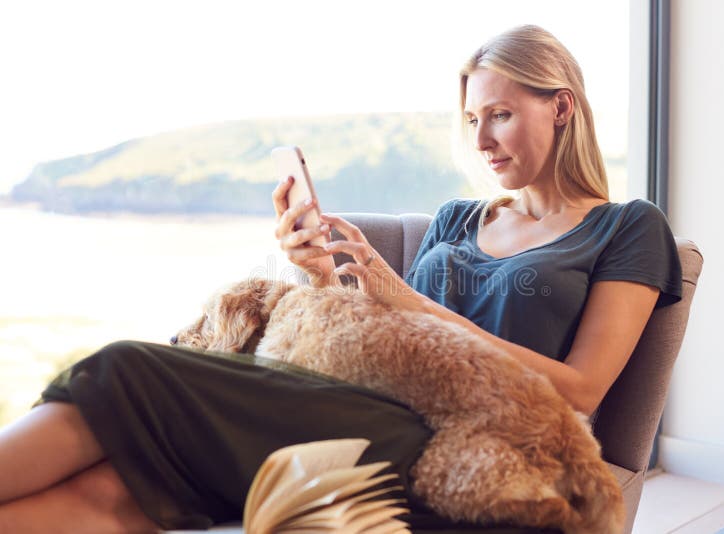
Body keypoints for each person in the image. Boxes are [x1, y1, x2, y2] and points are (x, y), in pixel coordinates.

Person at [0, 25, 681, 533]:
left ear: (560, 108)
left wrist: (409, 298)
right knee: (112, 487)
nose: (480, 141)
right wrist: (323, 275)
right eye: (473, 119)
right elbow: (393, 346)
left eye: (500, 115)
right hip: (383, 409)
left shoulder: (626, 228)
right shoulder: (456, 218)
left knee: (127, 371)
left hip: (481, 445)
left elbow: (585, 389)